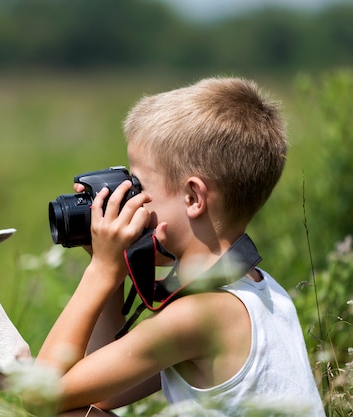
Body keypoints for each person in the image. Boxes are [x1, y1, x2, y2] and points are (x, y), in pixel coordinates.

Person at [36, 77, 325, 416]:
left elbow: (40, 394)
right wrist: (111, 270)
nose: (129, 197)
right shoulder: (263, 292)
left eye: (138, 185)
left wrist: (101, 270)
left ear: (193, 197)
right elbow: (101, 396)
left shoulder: (197, 317)